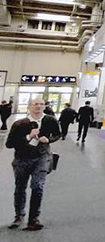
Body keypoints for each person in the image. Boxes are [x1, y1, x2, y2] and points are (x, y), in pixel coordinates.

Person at [5, 98, 60, 231]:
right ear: (29, 106)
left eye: (41, 104)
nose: (38, 106)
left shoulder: (50, 120)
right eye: (35, 104)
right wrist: (28, 137)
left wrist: (49, 139)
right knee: (20, 188)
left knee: (37, 186)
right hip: (22, 159)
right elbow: (9, 144)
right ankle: (19, 216)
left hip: (42, 157)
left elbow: (58, 134)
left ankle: (34, 219)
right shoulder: (19, 124)